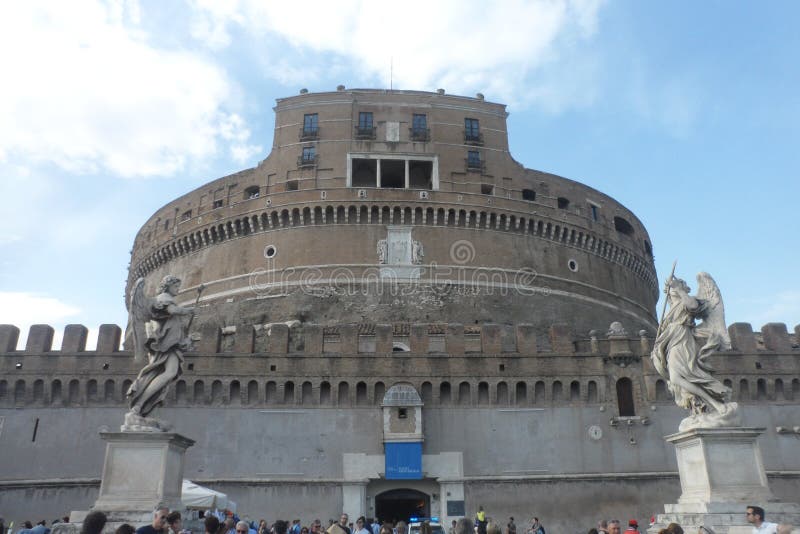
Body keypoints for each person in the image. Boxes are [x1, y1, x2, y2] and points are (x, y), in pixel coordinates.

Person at [126, 275, 195, 425]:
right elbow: (172, 310)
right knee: (169, 373)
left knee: (166, 374)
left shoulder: (166, 300)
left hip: (170, 343)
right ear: (167, 286)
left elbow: (173, 321)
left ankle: (142, 408)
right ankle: (138, 406)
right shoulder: (162, 298)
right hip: (165, 344)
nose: (178, 289)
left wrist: (185, 341)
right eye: (176, 286)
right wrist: (187, 310)